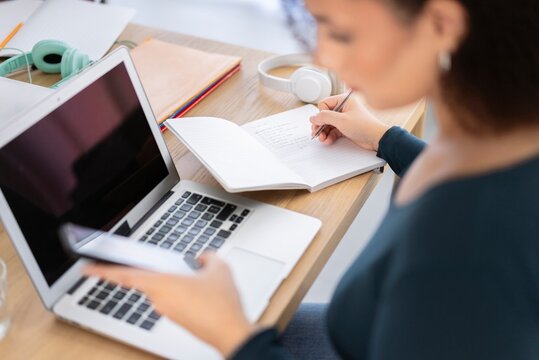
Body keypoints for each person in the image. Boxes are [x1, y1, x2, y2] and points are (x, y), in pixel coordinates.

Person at [85, 0, 539, 358]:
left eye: (340, 31)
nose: (322, 55)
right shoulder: (495, 134)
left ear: (441, 24)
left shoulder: (463, 254)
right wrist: (385, 138)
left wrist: (234, 335)